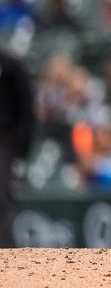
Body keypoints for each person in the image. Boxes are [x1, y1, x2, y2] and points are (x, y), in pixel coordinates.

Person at [0, 47, 36, 246]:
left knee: (1, 195)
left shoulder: (9, 64)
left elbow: (25, 102)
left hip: (4, 138)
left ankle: (3, 249)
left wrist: (23, 142)